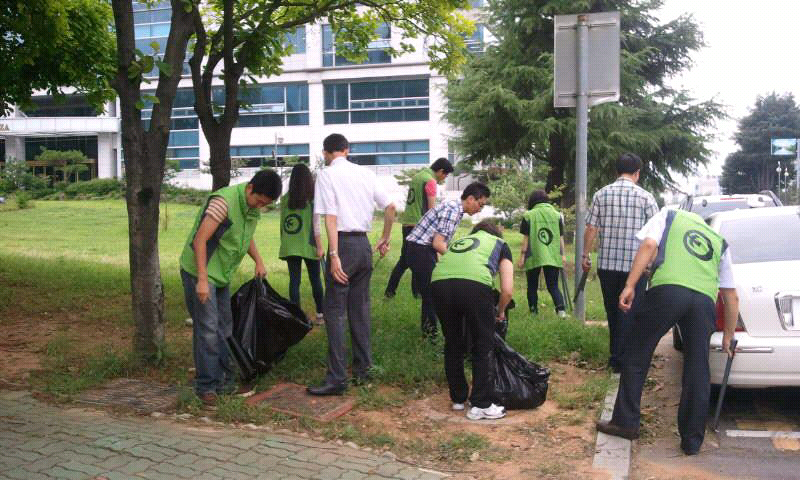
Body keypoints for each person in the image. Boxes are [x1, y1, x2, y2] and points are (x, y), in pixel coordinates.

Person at [596, 208, 739, 455]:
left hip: (669, 292)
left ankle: (625, 422)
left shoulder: (669, 215)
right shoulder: (719, 241)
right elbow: (731, 296)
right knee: (697, 367)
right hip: (704, 302)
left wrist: (630, 284)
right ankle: (692, 440)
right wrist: (728, 335)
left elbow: (649, 245)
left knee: (637, 353)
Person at [179, 170, 283, 407]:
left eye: (266, 205)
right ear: (250, 188)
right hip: (200, 271)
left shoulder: (251, 208)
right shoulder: (222, 203)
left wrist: (258, 260)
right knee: (207, 330)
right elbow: (200, 240)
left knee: (225, 328)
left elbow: (244, 236)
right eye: (259, 201)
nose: (260, 206)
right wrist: (202, 280)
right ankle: (206, 387)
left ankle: (225, 383)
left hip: (222, 274)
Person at [307, 133, 396, 396]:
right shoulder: (366, 174)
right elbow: (390, 207)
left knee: (334, 312)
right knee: (360, 309)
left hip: (343, 246)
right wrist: (385, 238)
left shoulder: (326, 175)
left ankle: (336, 378)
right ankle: (363, 370)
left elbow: (330, 218)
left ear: (326, 153)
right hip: (364, 246)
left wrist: (333, 255)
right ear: (346, 150)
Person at [582, 153, 659, 373]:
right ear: (637, 173)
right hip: (636, 268)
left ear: (617, 171)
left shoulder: (601, 194)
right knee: (630, 311)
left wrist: (585, 255)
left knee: (612, 310)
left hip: (607, 265)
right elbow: (654, 237)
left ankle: (616, 356)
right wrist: (651, 264)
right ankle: (622, 359)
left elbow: (591, 228)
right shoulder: (646, 198)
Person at [430, 220, 513, 420]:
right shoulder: (500, 244)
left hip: (438, 284)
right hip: (475, 286)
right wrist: (500, 311)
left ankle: (458, 399)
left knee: (453, 342)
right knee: (483, 344)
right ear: (496, 234)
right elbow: (507, 290)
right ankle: (481, 404)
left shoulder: (461, 241)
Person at [406, 182, 491, 338]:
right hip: (419, 250)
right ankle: (430, 335)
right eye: (480, 204)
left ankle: (430, 332)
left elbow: (439, 243)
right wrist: (457, 259)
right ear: (471, 199)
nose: (480, 209)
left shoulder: (455, 209)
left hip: (422, 249)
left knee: (431, 292)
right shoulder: (453, 211)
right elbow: (438, 244)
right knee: (432, 294)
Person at [385, 158, 454, 299]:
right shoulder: (430, 181)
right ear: (440, 171)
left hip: (407, 224)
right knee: (422, 261)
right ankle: (420, 293)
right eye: (445, 175)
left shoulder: (418, 176)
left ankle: (396, 291)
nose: (444, 178)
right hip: (419, 227)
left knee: (406, 260)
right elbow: (432, 209)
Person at [279, 163, 325, 324]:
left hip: (290, 245)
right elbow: (316, 227)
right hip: (309, 245)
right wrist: (320, 247)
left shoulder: (284, 199)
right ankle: (321, 314)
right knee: (316, 280)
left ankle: (296, 317)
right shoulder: (313, 200)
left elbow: (282, 225)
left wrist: (283, 243)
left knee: (294, 281)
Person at [518, 190, 567, 317]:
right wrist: (563, 255)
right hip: (553, 254)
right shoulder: (557, 215)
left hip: (534, 255)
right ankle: (561, 311)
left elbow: (526, 238)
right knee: (553, 285)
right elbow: (560, 237)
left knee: (532, 286)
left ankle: (533, 312)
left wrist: (522, 256)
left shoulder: (528, 215)